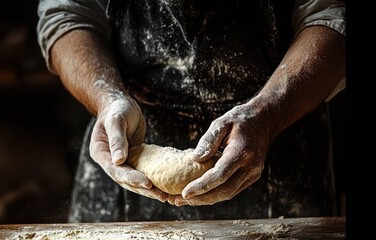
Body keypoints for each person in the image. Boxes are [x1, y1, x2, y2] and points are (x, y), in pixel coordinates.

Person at [36, 0, 346, 222]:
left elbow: (332, 13)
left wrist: (268, 112)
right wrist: (106, 97)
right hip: (127, 139)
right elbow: (68, 13)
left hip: (277, 133)